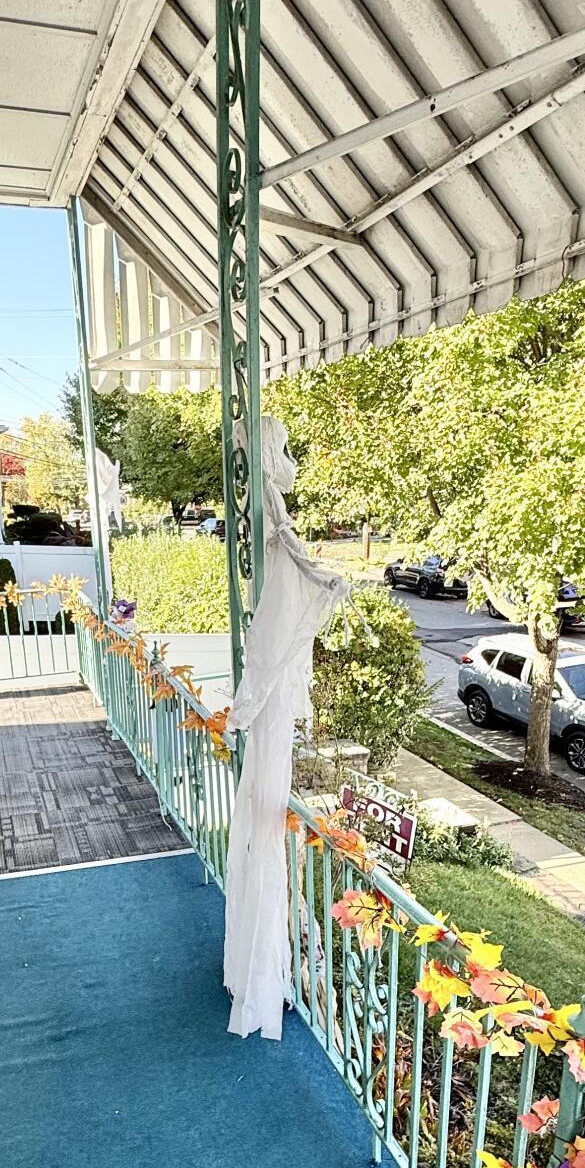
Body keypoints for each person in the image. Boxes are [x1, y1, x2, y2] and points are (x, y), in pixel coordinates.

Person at [223, 421, 348, 1039]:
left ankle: (263, 960)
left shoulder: (277, 533)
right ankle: (260, 969)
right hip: (265, 715)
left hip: (266, 714)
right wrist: (243, 712)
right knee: (265, 821)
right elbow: (268, 652)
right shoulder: (279, 535)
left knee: (265, 818)